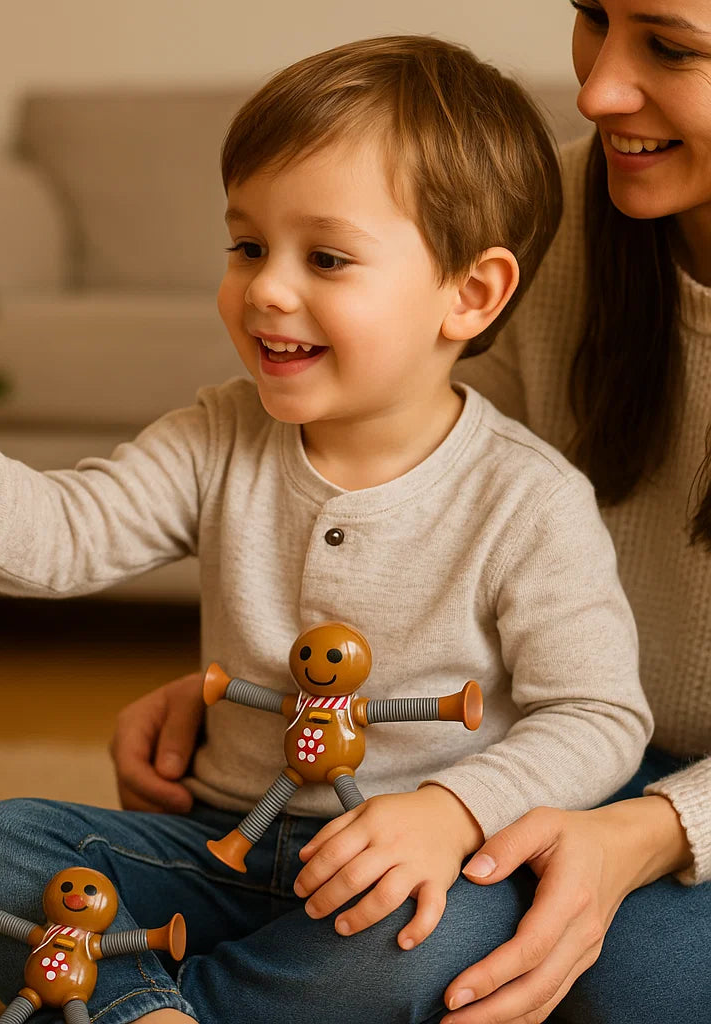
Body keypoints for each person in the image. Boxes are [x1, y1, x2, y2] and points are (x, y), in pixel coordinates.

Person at [0, 37, 654, 1024]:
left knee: (443, 937)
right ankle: (158, 1011)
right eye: (247, 245)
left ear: (469, 293)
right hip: (216, 844)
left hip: (393, 869)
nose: (267, 288)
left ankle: (163, 1006)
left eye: (327, 258)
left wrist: (450, 814)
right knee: (4, 846)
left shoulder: (527, 498)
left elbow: (599, 715)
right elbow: (68, 531)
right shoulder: (218, 434)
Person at [114, 4, 711, 1022]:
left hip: (636, 772)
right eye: (590, 16)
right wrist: (267, 685)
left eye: (671, 46)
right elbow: (434, 501)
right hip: (547, 742)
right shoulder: (545, 214)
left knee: (628, 986)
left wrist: (657, 827)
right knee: (454, 927)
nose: (595, 90)